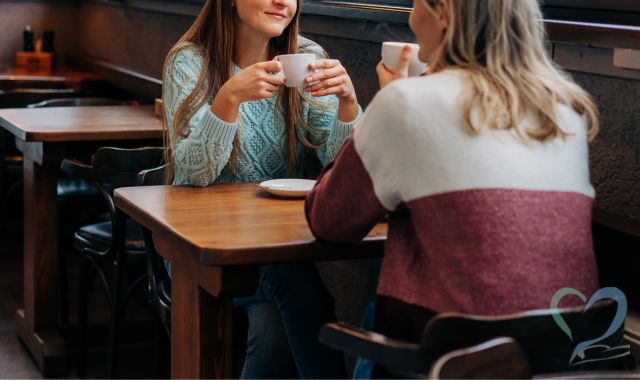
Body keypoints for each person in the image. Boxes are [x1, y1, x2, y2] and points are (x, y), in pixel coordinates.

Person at [306, 0, 600, 358]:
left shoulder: (405, 103)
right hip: (566, 357)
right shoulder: (565, 109)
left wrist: (388, 104)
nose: (412, 18)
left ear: (443, 12)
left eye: (415, 4)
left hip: (449, 360)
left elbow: (329, 220)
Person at [162, 0, 361, 377]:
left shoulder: (307, 57)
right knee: (296, 285)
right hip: (204, 248)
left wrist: (348, 105)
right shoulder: (189, 62)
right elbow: (193, 173)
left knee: (272, 331)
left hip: (278, 241)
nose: (282, 1)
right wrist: (228, 98)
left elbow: (344, 168)